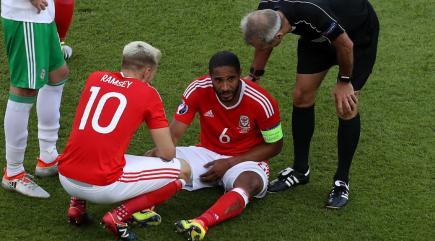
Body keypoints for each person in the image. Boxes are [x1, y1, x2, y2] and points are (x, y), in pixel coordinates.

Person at [240, 0, 379, 208]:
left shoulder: (310, 12)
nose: (259, 49)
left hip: (356, 36)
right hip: (317, 36)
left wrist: (344, 81)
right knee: (301, 95)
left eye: (262, 45)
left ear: (279, 37)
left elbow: (345, 45)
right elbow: (264, 43)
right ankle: (300, 169)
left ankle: (341, 181)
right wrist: (254, 76)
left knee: (346, 106)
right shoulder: (266, 11)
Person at [57, 41, 192, 240]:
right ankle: (117, 216)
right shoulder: (148, 93)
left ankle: (76, 206)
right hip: (103, 185)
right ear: (147, 71)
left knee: (91, 147)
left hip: (65, 176)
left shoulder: (95, 78)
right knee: (184, 170)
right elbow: (168, 153)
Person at [168, 51, 283, 240]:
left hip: (245, 159)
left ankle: (201, 222)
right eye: (218, 80)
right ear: (210, 76)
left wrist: (229, 163)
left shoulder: (262, 101)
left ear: (240, 75)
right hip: (206, 153)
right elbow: (172, 135)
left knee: (250, 183)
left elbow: (276, 146)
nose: (225, 87)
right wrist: (162, 159)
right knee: (155, 156)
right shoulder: (197, 89)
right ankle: (145, 210)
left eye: (231, 79)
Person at [1, 0, 69, 198]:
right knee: (25, 89)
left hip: (42, 15)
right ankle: (13, 172)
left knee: (57, 74)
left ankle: (48, 156)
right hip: (26, 16)